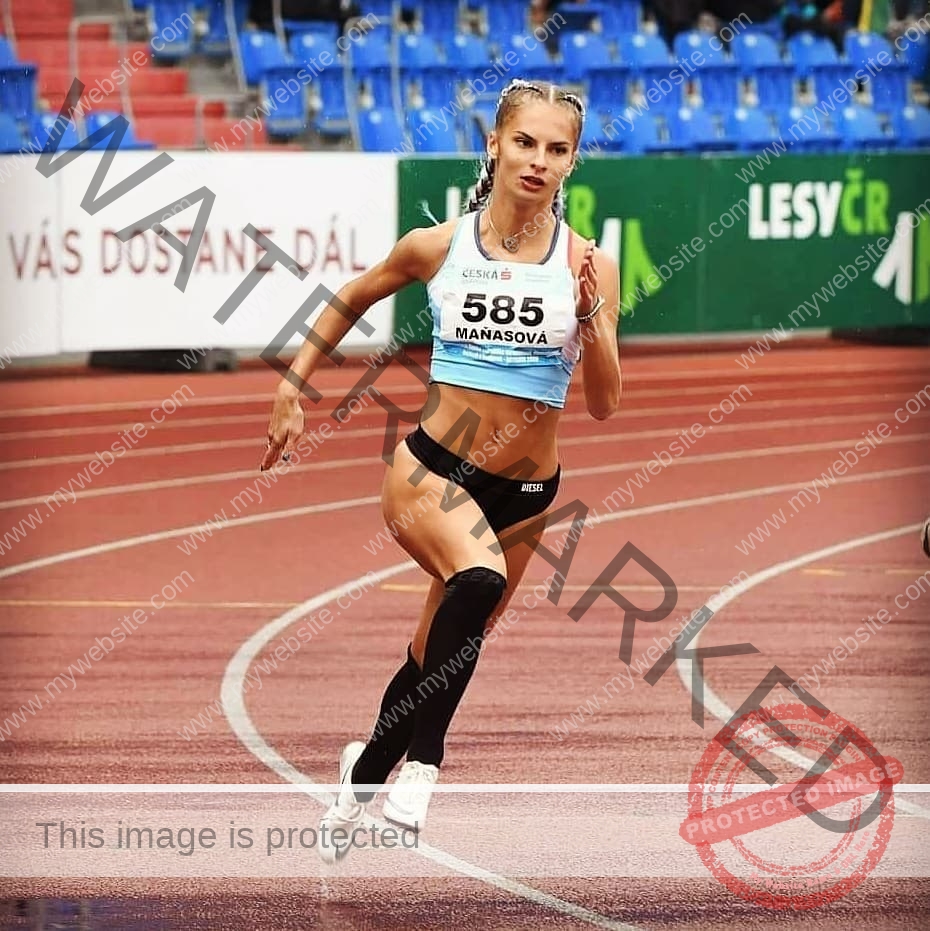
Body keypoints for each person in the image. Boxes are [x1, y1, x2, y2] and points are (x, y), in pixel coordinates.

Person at [261, 79, 622, 863]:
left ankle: (361, 775)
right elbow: (352, 296)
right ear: (494, 144)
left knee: (440, 648)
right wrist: (294, 386)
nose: (538, 159)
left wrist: (592, 319)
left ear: (573, 163)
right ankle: (423, 765)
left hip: (526, 491)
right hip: (432, 469)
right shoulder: (439, 245)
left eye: (556, 149)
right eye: (524, 141)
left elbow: (604, 402)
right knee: (480, 581)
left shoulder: (590, 263)